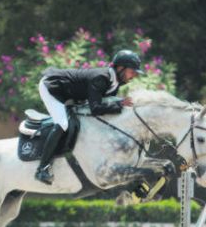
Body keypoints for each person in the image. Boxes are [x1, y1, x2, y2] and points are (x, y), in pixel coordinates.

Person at [34, 49, 144, 184]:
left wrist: (124, 106)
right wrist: (120, 104)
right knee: (63, 124)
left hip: (69, 94)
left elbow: (105, 107)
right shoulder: (101, 78)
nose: (134, 76)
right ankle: (42, 168)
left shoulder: (114, 83)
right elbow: (96, 108)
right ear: (121, 68)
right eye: (132, 71)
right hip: (52, 87)